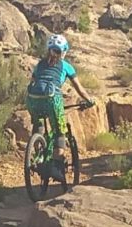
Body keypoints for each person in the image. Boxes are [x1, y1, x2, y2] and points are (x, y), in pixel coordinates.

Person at [24, 33, 95, 162]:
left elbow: (33, 82)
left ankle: (38, 154)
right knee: (59, 131)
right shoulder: (66, 66)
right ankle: (57, 163)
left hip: (32, 99)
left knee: (38, 123)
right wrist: (89, 100)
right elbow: (79, 88)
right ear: (64, 51)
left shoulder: (40, 64)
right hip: (52, 98)